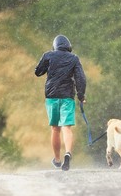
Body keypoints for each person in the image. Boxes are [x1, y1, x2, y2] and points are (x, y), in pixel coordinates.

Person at [35, 35, 86, 171]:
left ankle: (57, 159)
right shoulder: (74, 58)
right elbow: (80, 78)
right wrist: (81, 96)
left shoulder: (48, 55)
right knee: (66, 127)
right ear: (68, 46)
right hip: (67, 96)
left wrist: (48, 64)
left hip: (52, 96)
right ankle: (68, 153)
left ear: (55, 45)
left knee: (55, 128)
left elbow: (38, 72)